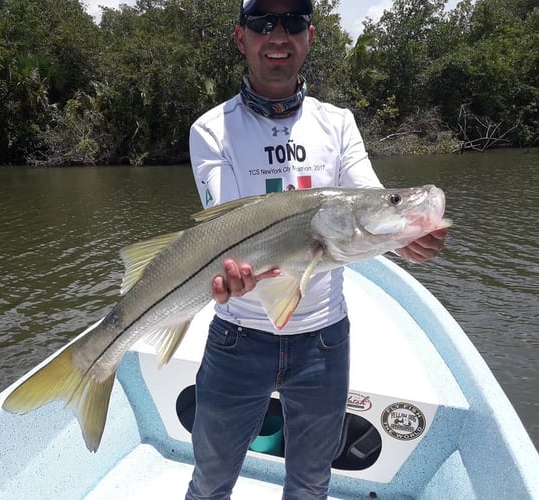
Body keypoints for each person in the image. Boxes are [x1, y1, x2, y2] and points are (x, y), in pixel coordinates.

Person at [185, 0, 448, 499]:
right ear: (242, 37)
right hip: (237, 338)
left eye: (294, 22)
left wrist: (406, 237)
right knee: (211, 480)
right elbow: (229, 226)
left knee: (310, 483)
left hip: (323, 343)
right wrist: (233, 272)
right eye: (263, 22)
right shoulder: (211, 129)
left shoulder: (338, 124)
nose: (278, 34)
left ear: (309, 36)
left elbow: (370, 202)